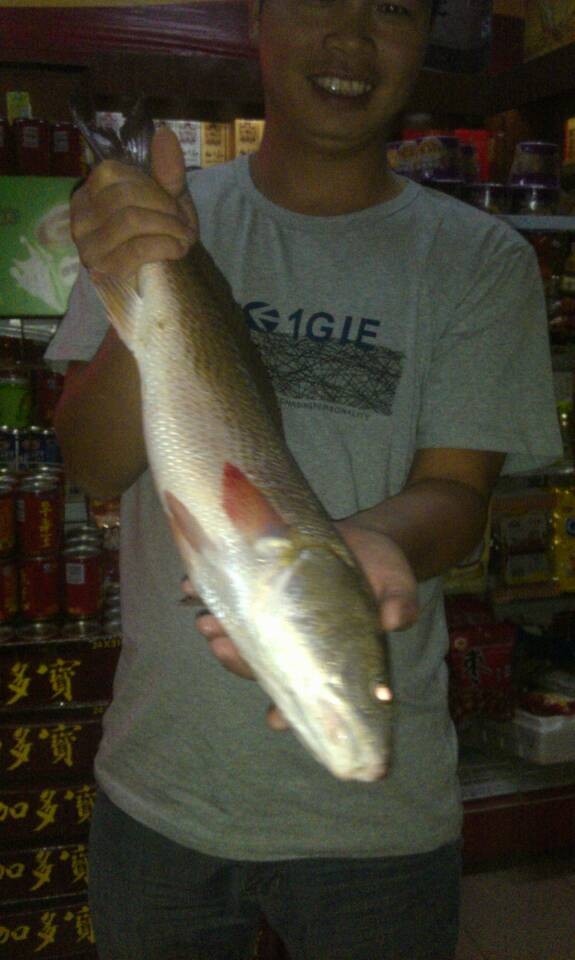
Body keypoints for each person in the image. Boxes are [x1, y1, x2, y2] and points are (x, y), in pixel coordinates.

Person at [48, 1, 562, 958]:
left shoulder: (481, 259)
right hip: (162, 786)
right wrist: (144, 271)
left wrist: (375, 542)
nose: (352, 37)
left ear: (426, 37)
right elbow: (94, 462)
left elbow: (459, 495)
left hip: (378, 833)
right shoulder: (159, 214)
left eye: (392, 7)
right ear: (258, 16)